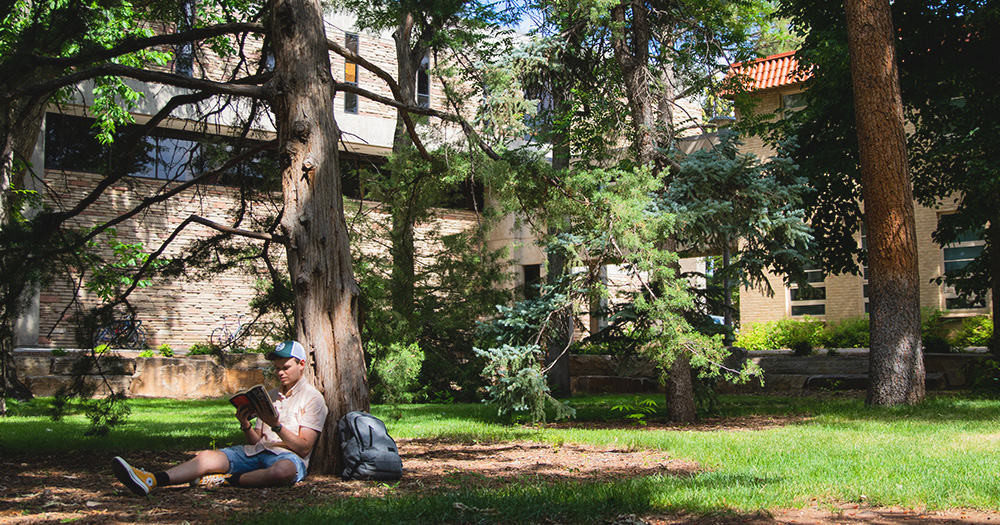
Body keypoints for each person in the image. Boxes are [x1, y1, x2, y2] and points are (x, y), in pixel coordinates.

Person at [111, 340, 329, 496]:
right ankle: (151, 479)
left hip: (287, 458)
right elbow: (257, 442)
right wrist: (245, 425)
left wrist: (277, 426)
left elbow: (303, 448)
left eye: (286, 367)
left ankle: (225, 480)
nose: (280, 373)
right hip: (258, 452)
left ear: (301, 365)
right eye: (277, 369)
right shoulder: (269, 396)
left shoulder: (313, 399)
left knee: (282, 471)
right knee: (206, 457)